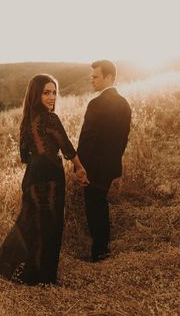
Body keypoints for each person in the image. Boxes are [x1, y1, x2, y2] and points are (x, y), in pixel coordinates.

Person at [0, 73, 89, 285]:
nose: (52, 97)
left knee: (29, 223)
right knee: (50, 226)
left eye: (54, 92)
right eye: (46, 93)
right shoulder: (50, 118)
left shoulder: (26, 119)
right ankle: (40, 277)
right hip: (50, 176)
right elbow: (68, 147)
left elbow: (24, 156)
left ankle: (4, 267)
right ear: (36, 94)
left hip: (32, 176)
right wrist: (79, 168)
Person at [77, 60, 131, 262]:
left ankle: (99, 252)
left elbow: (87, 138)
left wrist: (79, 166)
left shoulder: (97, 104)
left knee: (94, 206)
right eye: (91, 76)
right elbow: (123, 139)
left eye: (96, 76)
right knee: (100, 204)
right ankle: (102, 249)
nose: (92, 80)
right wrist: (115, 163)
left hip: (93, 166)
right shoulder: (124, 104)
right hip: (111, 166)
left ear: (109, 77)